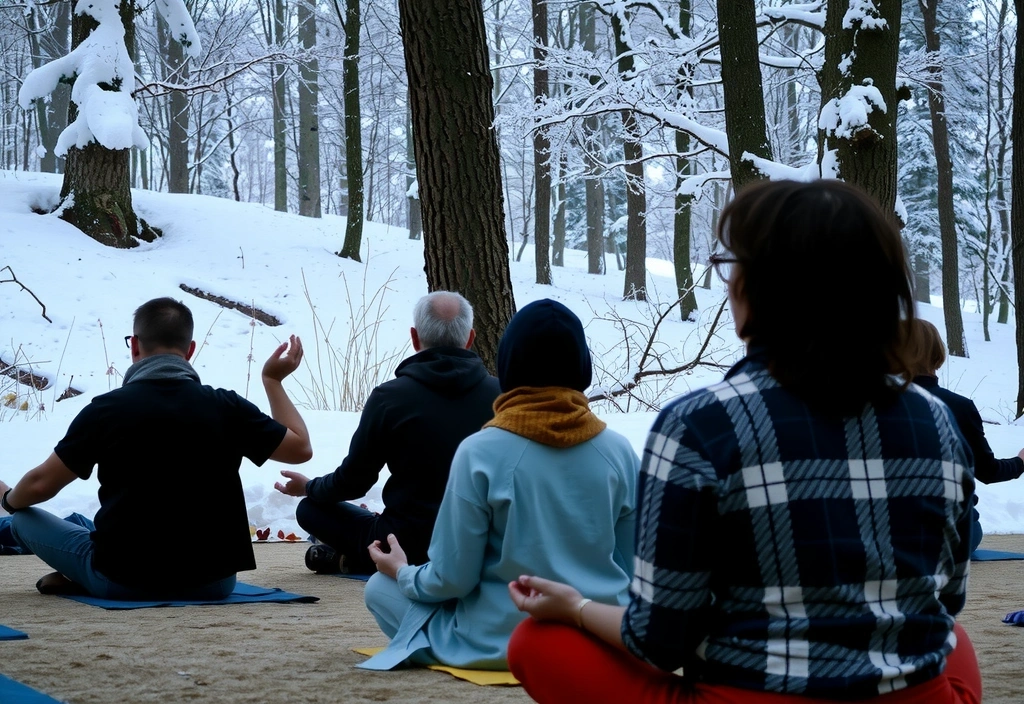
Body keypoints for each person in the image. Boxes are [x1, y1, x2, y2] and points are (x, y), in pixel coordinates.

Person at [506, 180, 982, 704]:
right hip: (916, 696)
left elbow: (661, 640)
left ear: (757, 288)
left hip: (749, 695)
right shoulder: (939, 421)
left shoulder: (697, 426)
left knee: (536, 640)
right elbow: (947, 601)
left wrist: (575, 608)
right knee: (953, 640)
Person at [358, 298, 639, 671]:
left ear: (508, 364)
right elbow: (637, 567)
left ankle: (443, 647)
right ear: (582, 366)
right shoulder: (619, 452)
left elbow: (450, 580)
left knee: (379, 589)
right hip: (596, 634)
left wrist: (402, 572)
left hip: (500, 645)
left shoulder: (480, 452)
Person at [0, 297, 312, 599]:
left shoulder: (106, 410)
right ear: (189, 351)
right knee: (82, 526)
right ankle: (79, 575)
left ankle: (83, 577)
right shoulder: (227, 406)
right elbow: (300, 448)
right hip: (214, 583)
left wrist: (7, 499)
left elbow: (41, 484)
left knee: (23, 520)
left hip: (122, 580)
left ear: (135, 346)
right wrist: (273, 380)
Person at [273, 290, 500, 575]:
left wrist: (309, 487)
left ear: (415, 338)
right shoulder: (504, 396)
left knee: (310, 509)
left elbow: (354, 482)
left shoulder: (389, 398)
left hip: (404, 545)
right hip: (481, 545)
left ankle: (362, 560)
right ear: (470, 338)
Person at [904, 317, 1024, 553]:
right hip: (952, 533)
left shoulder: (869, 408)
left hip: (881, 532)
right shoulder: (958, 407)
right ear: (937, 355)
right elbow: (987, 471)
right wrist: (1020, 462)